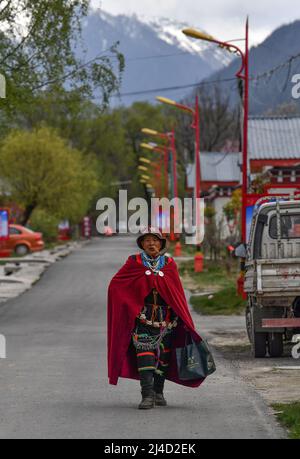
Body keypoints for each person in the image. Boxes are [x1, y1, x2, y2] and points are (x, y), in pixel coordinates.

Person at [107, 228, 206, 410]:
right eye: (147, 240)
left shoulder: (169, 264)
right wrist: (131, 306)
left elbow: (176, 293)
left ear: (161, 243)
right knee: (145, 357)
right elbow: (116, 286)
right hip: (143, 320)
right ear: (142, 244)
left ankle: (159, 392)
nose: (151, 243)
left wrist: (179, 316)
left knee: (163, 359)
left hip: (166, 321)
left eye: (155, 240)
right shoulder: (133, 263)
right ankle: (147, 395)